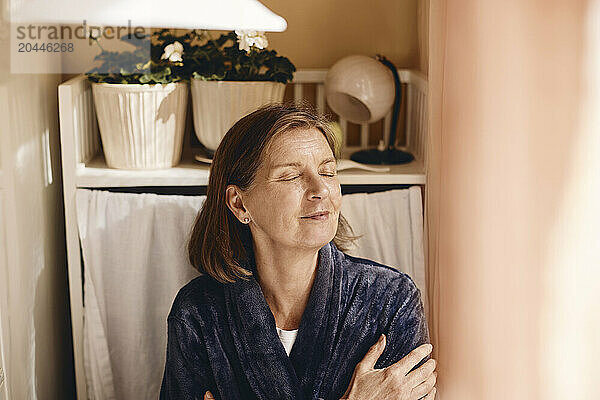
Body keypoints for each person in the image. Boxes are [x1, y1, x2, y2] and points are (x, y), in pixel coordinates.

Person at [159, 102, 437, 400]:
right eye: (291, 176)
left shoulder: (390, 300)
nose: (320, 189)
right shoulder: (199, 313)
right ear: (240, 204)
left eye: (328, 172)